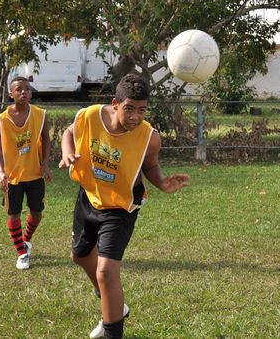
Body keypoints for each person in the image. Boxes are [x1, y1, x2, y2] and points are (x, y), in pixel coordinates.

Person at [59, 73, 190, 339]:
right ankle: (116, 305)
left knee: (106, 271)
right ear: (116, 103)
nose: (135, 117)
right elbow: (68, 133)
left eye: (142, 110)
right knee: (80, 256)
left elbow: (150, 165)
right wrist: (67, 153)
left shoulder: (149, 137)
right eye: (129, 108)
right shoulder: (89, 116)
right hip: (89, 197)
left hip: (122, 207)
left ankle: (112, 331)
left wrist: (162, 183)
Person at [0, 76, 52, 270]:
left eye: (27, 89)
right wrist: (1, 172)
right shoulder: (3, 119)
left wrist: (45, 164)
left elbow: (46, 139)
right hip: (13, 177)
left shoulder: (40, 114)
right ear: (11, 94)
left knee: (37, 213)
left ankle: (26, 239)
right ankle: (21, 253)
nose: (24, 92)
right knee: (14, 214)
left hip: (35, 174)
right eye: (18, 89)